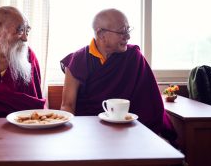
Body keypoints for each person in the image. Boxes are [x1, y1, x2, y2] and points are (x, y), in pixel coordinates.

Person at [60, 8, 177, 143]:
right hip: (89, 132)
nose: (127, 36)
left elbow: (150, 103)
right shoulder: (78, 59)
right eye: (122, 31)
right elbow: (67, 105)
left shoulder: (133, 57)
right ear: (101, 33)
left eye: (128, 30)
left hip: (129, 130)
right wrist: (71, 138)